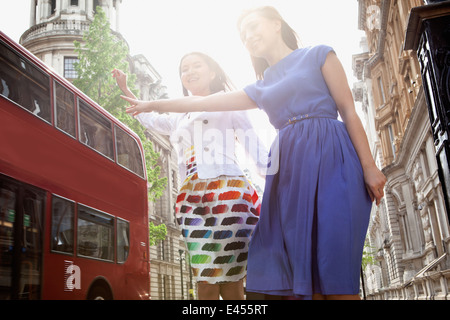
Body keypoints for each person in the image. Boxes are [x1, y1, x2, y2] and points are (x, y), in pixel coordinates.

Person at [120, 6, 387, 300]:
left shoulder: (320, 54)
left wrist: (369, 165)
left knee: (335, 261)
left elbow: (349, 110)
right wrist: (146, 105)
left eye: (253, 26)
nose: (248, 36)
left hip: (332, 157)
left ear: (276, 24)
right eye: (242, 33)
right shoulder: (261, 86)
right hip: (288, 169)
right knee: (297, 268)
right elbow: (202, 104)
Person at [113, 52, 267, 300]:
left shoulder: (230, 102)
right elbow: (150, 119)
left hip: (228, 193)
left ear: (213, 72)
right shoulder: (178, 115)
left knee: (231, 280)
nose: (190, 71)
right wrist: (127, 89)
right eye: (184, 68)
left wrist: (279, 184)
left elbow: (257, 151)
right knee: (204, 278)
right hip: (191, 200)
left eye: (197, 65)